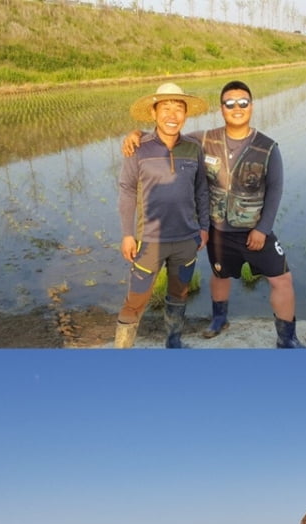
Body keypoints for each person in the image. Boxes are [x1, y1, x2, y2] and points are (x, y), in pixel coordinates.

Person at [123, 80, 304, 348]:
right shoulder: (204, 139)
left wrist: (263, 229)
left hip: (254, 230)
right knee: (220, 275)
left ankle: (287, 339)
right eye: (229, 103)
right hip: (219, 231)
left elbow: (276, 190)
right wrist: (136, 134)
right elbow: (170, 135)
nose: (236, 108)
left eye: (243, 102)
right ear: (222, 109)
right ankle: (220, 319)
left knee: (282, 279)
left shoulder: (267, 147)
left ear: (251, 106)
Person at [116, 82, 210, 349]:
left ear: (186, 114)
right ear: (154, 113)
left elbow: (202, 190)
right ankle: (121, 352)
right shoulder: (138, 148)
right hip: (149, 241)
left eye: (178, 108)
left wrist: (203, 228)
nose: (172, 115)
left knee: (179, 295)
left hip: (186, 240)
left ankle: (174, 343)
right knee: (136, 300)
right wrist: (127, 235)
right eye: (165, 108)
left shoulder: (193, 147)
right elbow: (126, 191)